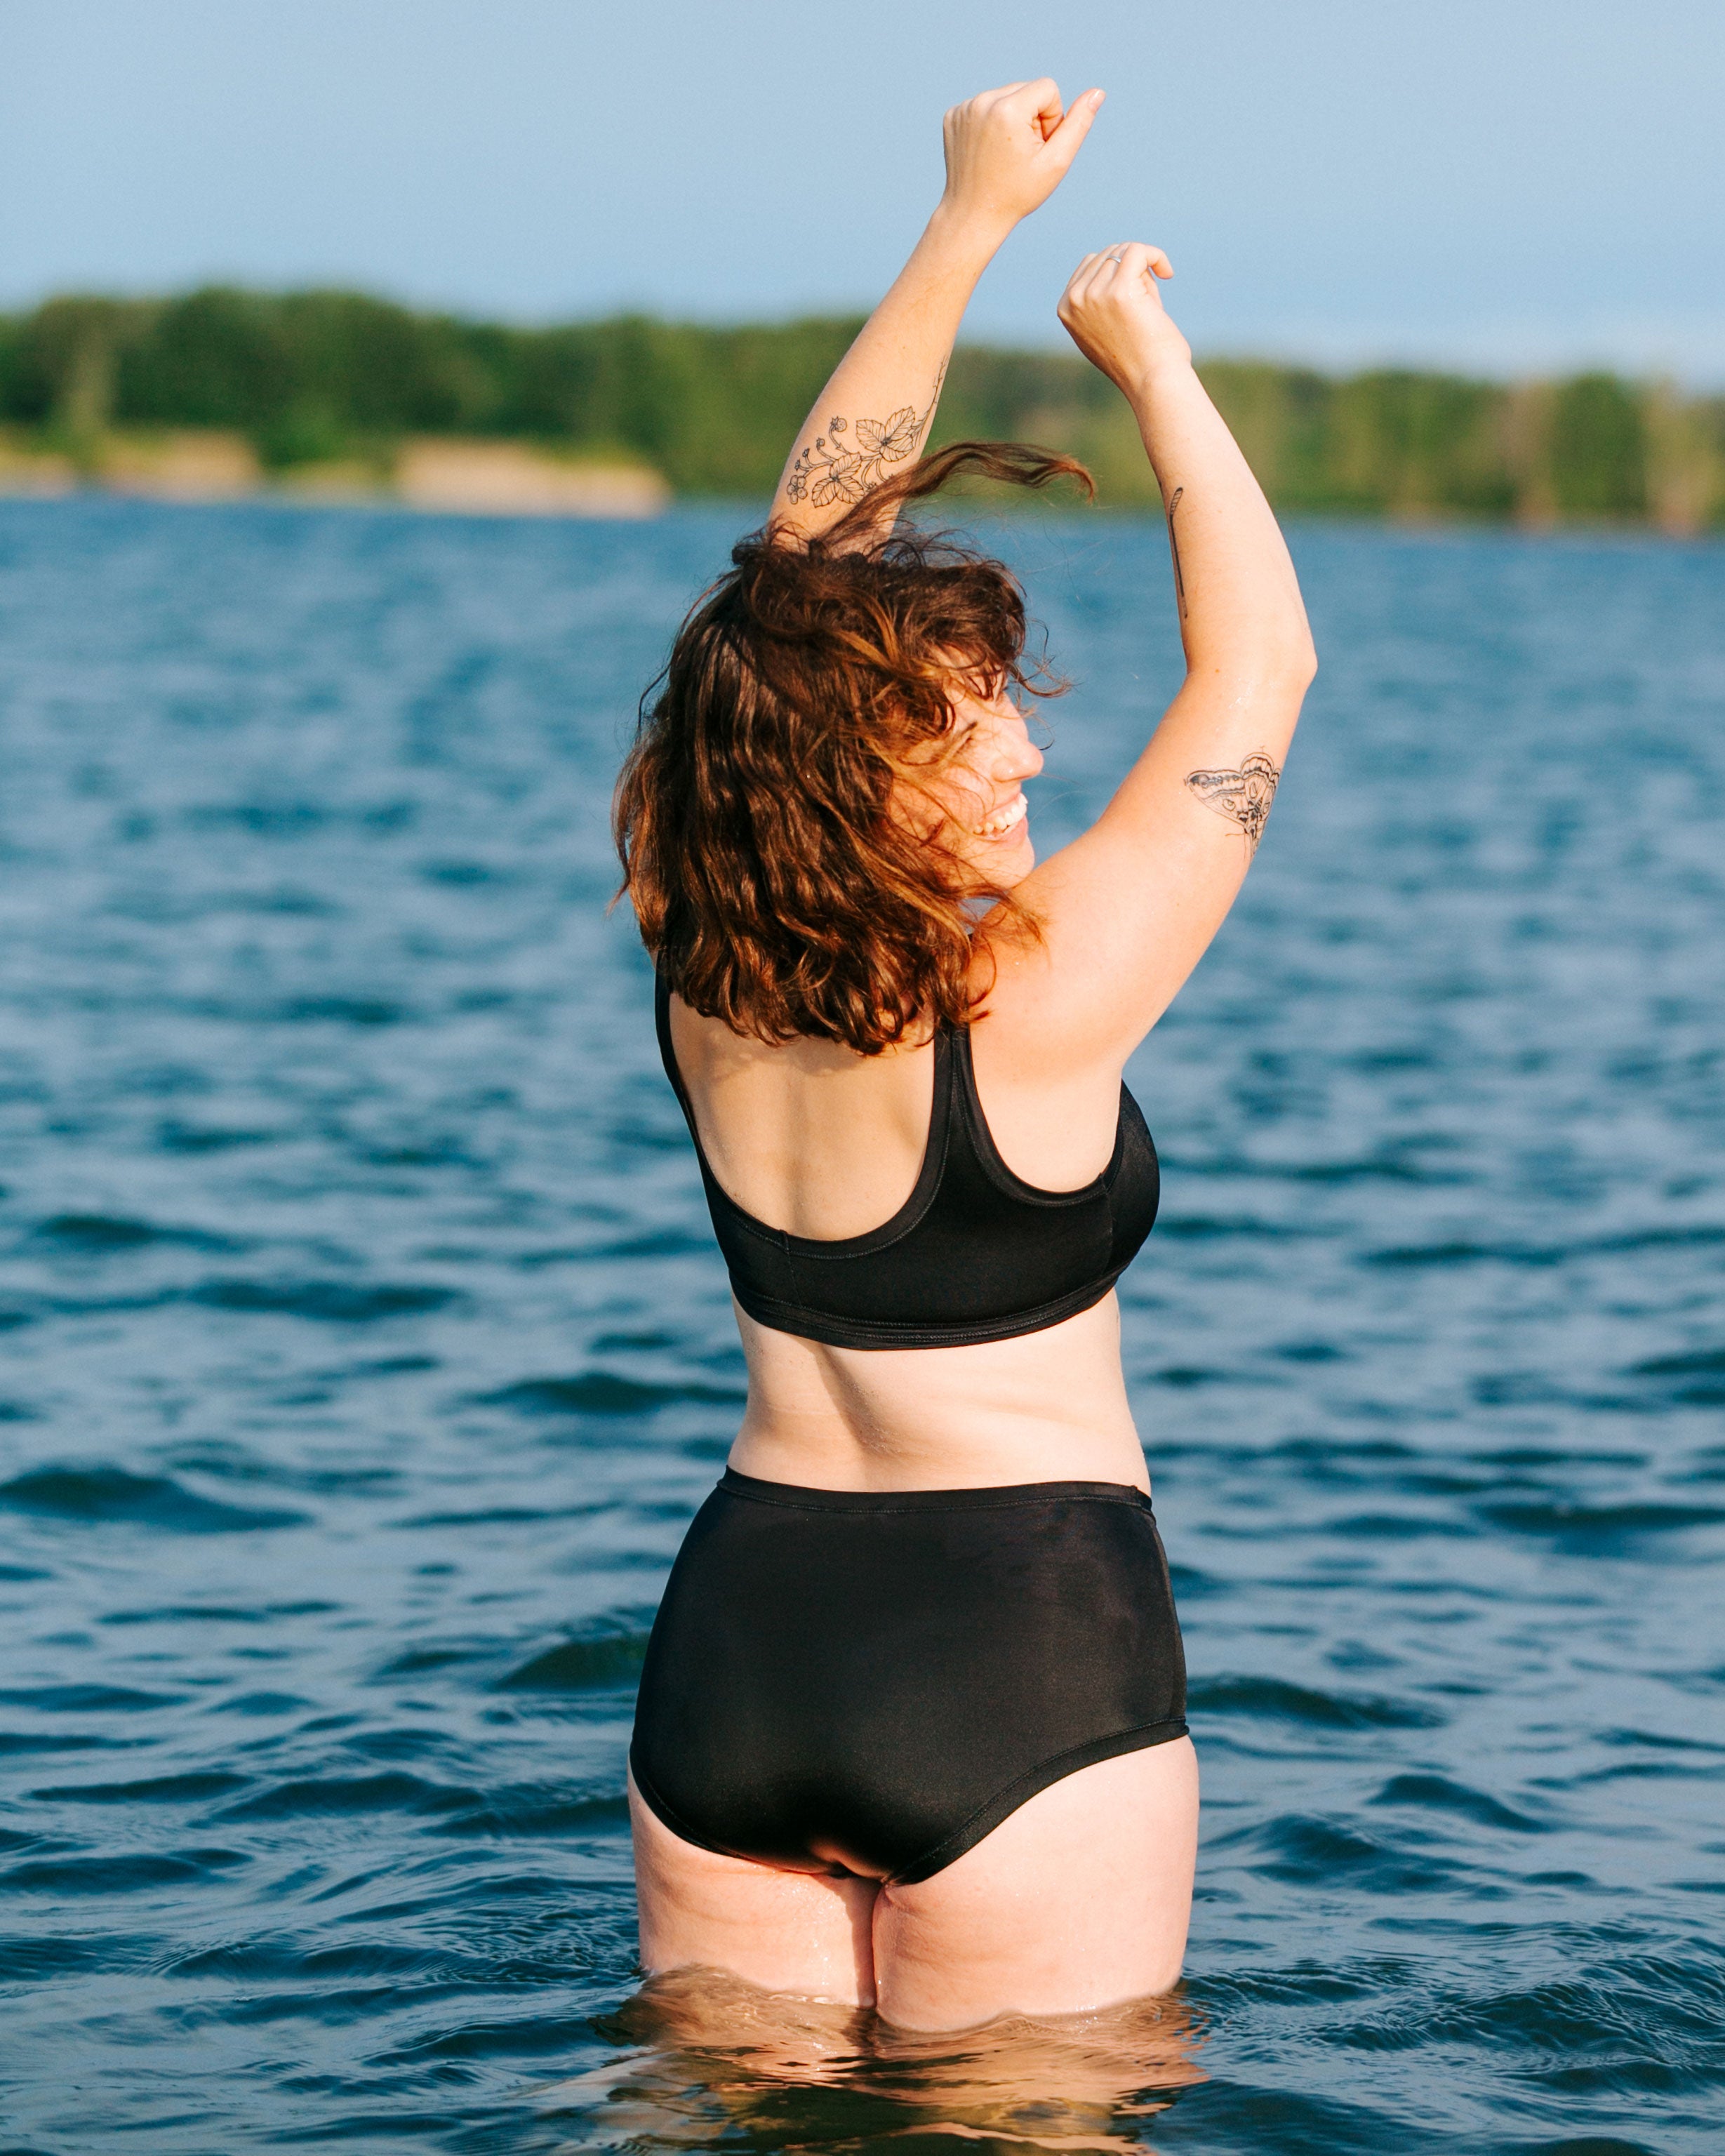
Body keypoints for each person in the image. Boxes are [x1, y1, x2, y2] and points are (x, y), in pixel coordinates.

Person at [613, 79, 1316, 2032]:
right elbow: (1258, 672)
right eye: (965, 721)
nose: (1021, 752)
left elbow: (789, 586)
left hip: (736, 1658)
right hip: (1019, 1654)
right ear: (857, 763)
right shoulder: (1040, 991)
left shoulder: (699, 951)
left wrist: (958, 222)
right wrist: (1154, 362)